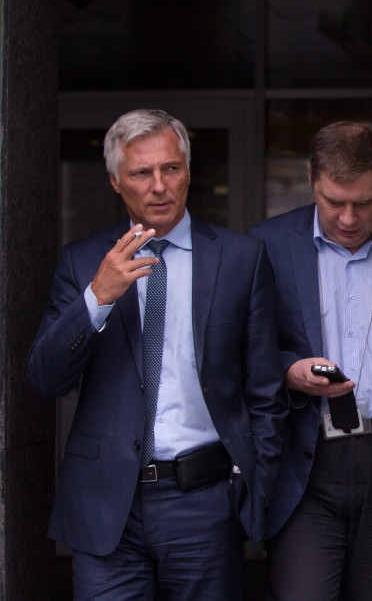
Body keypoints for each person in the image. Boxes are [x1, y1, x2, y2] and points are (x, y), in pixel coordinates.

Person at [28, 109, 287, 599]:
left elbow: (265, 392)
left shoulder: (240, 259)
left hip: (205, 500)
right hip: (107, 504)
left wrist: (252, 489)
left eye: (170, 168)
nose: (159, 186)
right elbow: (45, 378)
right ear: (115, 181)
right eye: (141, 173)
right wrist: (97, 298)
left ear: (188, 171)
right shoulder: (83, 262)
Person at [250, 121, 372, 600]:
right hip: (304, 466)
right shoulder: (267, 245)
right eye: (332, 201)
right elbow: (244, 353)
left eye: (364, 202)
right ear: (311, 179)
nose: (347, 218)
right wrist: (289, 372)